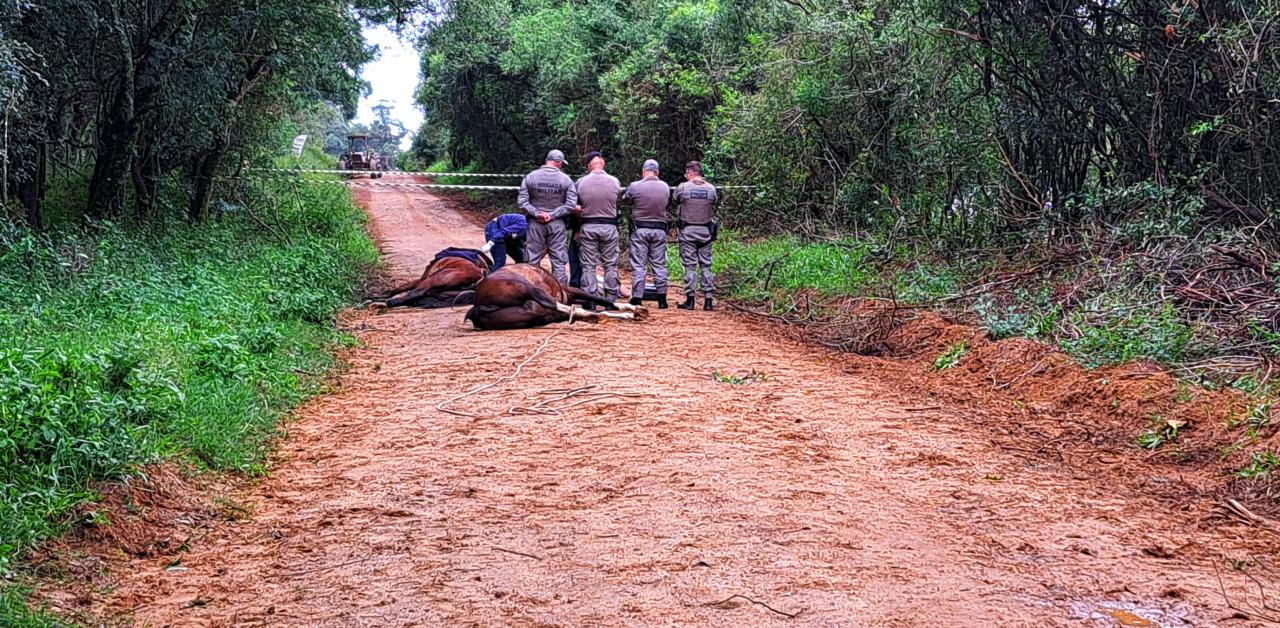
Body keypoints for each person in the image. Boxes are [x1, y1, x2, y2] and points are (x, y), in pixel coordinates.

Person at [518, 149, 577, 284]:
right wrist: (552, 215)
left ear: (547, 160)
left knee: (531, 259)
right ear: (560, 163)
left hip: (535, 223)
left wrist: (537, 213)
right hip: (557, 224)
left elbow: (522, 202)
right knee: (558, 260)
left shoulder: (530, 177)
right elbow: (571, 205)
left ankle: (530, 288)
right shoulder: (566, 180)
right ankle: (561, 291)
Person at [573, 151, 623, 304]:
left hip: (588, 226)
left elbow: (575, 206)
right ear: (603, 163)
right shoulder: (615, 181)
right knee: (610, 265)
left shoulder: (581, 182)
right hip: (609, 227)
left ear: (589, 166)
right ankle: (610, 299)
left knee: (588, 265)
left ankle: (591, 300)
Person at [622, 159, 671, 309]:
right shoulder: (665, 186)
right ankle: (662, 299)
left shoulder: (635, 186)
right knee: (659, 264)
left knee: (639, 265)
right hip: (660, 229)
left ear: (644, 170)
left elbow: (626, 200)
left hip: (640, 229)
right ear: (657, 172)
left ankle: (637, 297)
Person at [673, 160, 718, 310]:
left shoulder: (683, 187)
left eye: (686, 173)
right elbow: (715, 201)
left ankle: (690, 300)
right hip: (706, 233)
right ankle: (708, 300)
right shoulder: (711, 189)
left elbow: (675, 199)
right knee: (706, 265)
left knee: (690, 266)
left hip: (688, 232)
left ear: (690, 172)